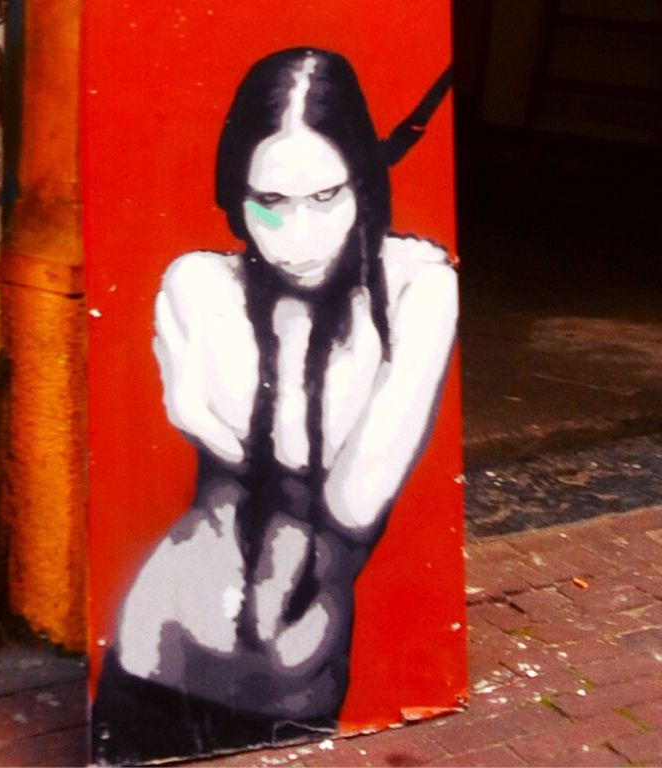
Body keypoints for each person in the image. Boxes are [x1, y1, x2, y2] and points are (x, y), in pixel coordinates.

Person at [92, 48, 458, 765]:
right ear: (235, 195)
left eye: (326, 197)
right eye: (269, 202)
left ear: (364, 181)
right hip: (155, 651)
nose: (299, 238)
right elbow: (241, 437)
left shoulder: (418, 287)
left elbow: (355, 501)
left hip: (292, 684)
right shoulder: (199, 286)